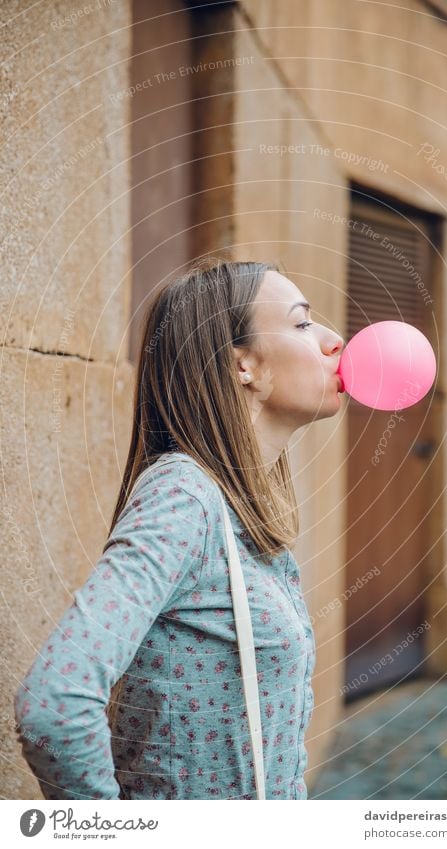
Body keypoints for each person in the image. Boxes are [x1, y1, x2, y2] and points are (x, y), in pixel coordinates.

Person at [14, 258, 345, 800]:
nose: (335, 341)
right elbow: (53, 702)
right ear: (244, 365)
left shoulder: (244, 502)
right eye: (303, 323)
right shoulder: (183, 497)